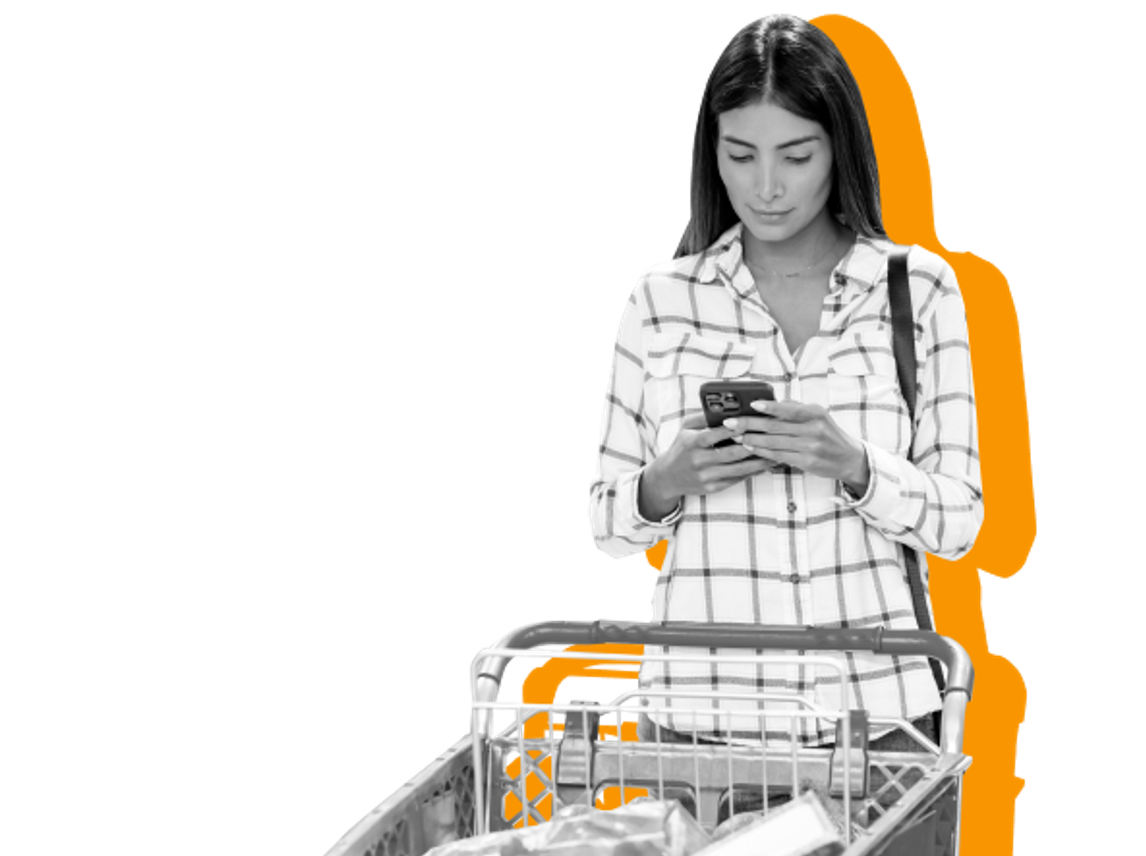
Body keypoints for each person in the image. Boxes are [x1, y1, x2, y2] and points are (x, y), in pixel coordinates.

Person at [587, 12, 983, 782]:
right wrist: (667, 482)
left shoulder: (919, 290)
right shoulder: (663, 298)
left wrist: (858, 465)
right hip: (701, 726)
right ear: (711, 155)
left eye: (796, 156)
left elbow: (961, 521)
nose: (766, 187)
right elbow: (608, 522)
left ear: (839, 148)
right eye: (741, 155)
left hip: (878, 722)